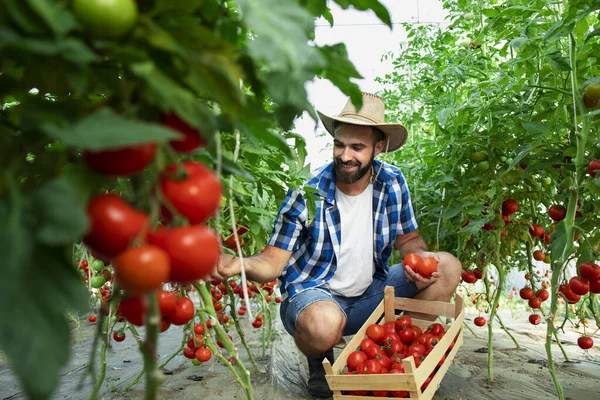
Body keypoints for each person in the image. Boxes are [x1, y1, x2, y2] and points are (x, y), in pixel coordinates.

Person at [208, 92, 462, 398]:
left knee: (447, 267)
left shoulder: (393, 182)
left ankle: (395, 350)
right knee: (323, 325)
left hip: (372, 292)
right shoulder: (307, 192)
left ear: (378, 148)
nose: (345, 155)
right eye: (339, 144)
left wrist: (420, 260)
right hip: (314, 298)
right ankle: (318, 359)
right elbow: (272, 262)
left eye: (357, 147)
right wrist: (239, 264)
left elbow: (409, 240)